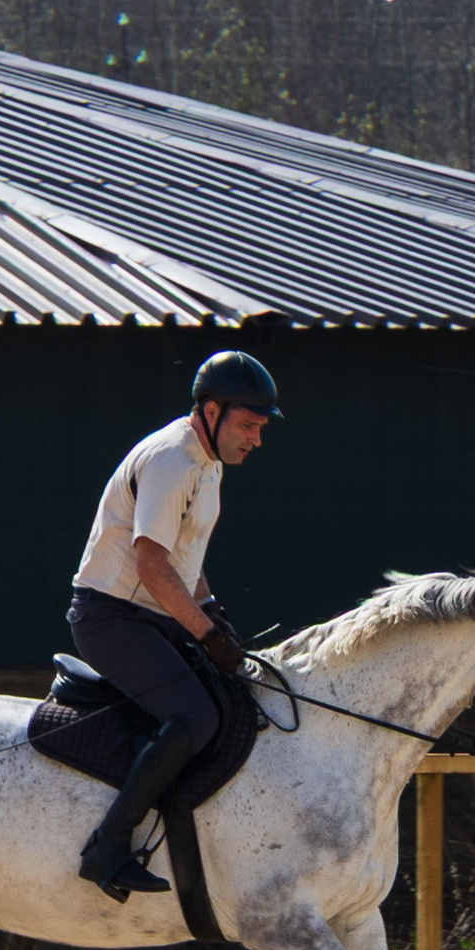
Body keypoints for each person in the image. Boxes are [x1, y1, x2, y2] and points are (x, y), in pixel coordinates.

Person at [65, 350, 279, 900]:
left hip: (155, 614)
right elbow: (151, 564)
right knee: (196, 716)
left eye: (259, 428)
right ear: (211, 411)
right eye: (248, 426)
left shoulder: (206, 463)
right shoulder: (171, 461)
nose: (256, 440)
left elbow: (185, 557)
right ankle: (107, 845)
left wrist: (213, 612)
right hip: (112, 617)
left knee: (234, 699)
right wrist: (205, 635)